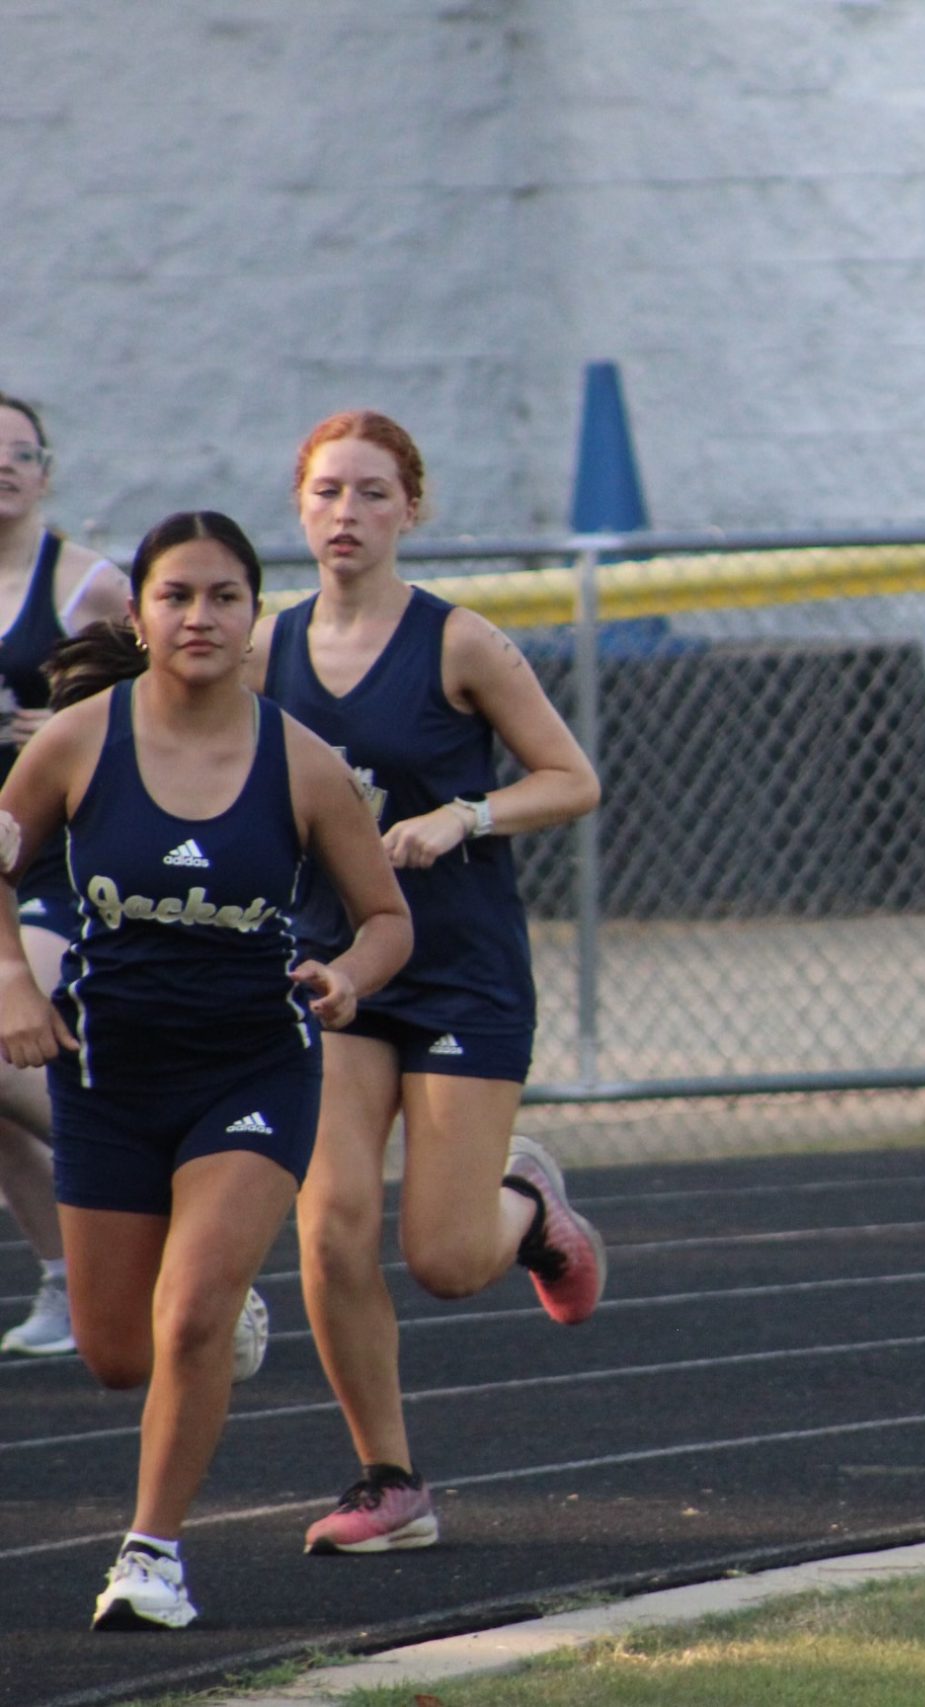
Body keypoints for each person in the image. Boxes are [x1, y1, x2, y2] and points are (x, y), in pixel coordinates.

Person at [0, 511, 412, 1629]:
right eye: (177, 595)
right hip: (109, 1078)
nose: (199, 616)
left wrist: (347, 976)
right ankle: (204, 1309)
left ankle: (152, 1557)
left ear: (252, 617)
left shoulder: (303, 763)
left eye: (223, 596)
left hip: (250, 1072)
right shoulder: (82, 741)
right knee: (116, 1356)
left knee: (186, 1321)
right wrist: (12, 983)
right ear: (138, 616)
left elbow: (385, 917)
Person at [254, 410, 603, 1557]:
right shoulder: (264, 647)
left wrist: (466, 815)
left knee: (447, 1260)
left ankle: (531, 1207)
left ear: (412, 508)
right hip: (340, 969)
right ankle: (389, 1482)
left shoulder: (460, 645)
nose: (344, 514)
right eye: (325, 493)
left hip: (458, 973)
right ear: (299, 507)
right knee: (333, 1225)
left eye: (369, 493)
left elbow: (572, 779)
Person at [0, 391, 140, 1358]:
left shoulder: (88, 587)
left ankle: (143, 1166)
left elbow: (171, 703)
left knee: (10, 1044)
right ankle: (66, 1279)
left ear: (48, 472)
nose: (2, 466)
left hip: (50, 861)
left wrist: (67, 729)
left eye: (19, 451)